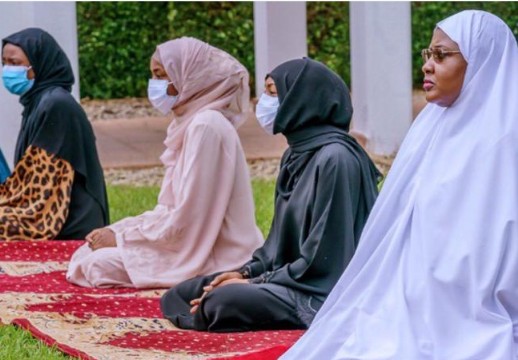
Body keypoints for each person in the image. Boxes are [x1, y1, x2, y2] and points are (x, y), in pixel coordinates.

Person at [281, 10, 518, 359]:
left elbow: (496, 240)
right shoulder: (430, 125)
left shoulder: (503, 141)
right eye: (428, 54)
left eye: (442, 55)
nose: (427, 66)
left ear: (481, 62)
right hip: (403, 289)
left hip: (466, 298)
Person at [160, 58, 381, 332]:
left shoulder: (335, 159)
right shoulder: (295, 154)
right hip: (289, 277)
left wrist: (253, 284)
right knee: (179, 294)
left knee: (221, 300)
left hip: (321, 288)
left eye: (273, 93)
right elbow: (277, 246)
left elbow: (323, 259)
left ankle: (219, 306)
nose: (262, 102)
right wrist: (245, 272)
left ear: (303, 99)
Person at [66, 37, 264, 289]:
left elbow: (189, 217)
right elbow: (168, 208)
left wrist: (124, 240)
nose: (155, 85)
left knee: (95, 266)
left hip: (217, 253)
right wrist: (119, 231)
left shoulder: (206, 126)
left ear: (189, 76)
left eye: (161, 75)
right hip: (191, 242)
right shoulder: (191, 123)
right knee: (88, 254)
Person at [0, 28, 108, 240]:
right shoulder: (37, 102)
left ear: (40, 63)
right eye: (4, 62)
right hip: (51, 212)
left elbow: (42, 196)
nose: (7, 70)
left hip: (69, 224)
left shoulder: (56, 105)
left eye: (15, 63)